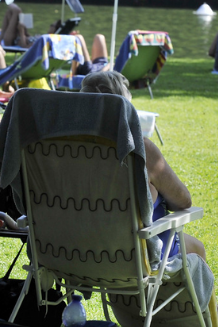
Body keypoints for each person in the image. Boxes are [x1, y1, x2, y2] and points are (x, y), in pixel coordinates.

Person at [80, 71, 207, 261]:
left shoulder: (60, 150)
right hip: (129, 258)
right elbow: (183, 202)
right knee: (196, 248)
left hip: (71, 252)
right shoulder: (139, 150)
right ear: (126, 109)